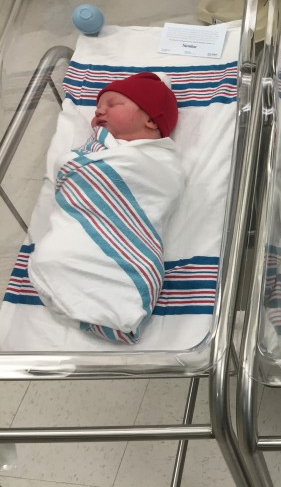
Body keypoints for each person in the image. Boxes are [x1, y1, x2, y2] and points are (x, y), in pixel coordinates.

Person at [27, 72, 186, 343]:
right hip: (61, 253)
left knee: (56, 256)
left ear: (150, 119)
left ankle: (118, 295)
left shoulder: (156, 161)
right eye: (99, 106)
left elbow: (164, 184)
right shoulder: (96, 150)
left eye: (113, 104)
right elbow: (71, 171)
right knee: (53, 255)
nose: (100, 110)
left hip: (101, 252)